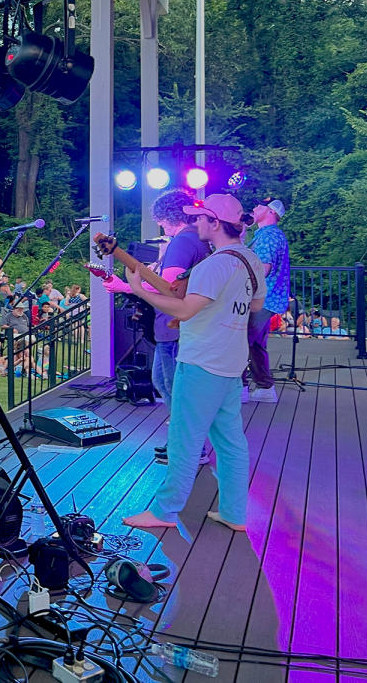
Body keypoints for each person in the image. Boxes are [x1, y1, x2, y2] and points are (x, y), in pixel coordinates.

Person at [123, 193, 266, 534]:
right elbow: (256, 306)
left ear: (216, 223)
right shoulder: (249, 259)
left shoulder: (214, 265)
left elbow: (185, 311)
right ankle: (235, 512)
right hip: (231, 362)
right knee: (230, 440)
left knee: (184, 439)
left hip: (202, 362)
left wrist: (139, 289)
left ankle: (164, 511)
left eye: (201, 218)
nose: (195, 223)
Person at [102, 189, 210, 464]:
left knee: (176, 387)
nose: (160, 226)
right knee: (163, 381)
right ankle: (181, 443)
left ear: (168, 217)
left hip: (176, 327)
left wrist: (128, 286)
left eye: (160, 220)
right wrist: (128, 285)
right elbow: (168, 281)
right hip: (177, 327)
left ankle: (189, 450)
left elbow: (170, 286)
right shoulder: (194, 240)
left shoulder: (182, 242)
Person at [244, 197, 291, 404]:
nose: (254, 208)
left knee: (240, 342)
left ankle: (240, 388)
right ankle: (264, 387)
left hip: (261, 299)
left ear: (271, 212)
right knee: (254, 345)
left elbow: (262, 269)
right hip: (269, 299)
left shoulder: (268, 236)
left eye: (259, 206)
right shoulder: (270, 235)